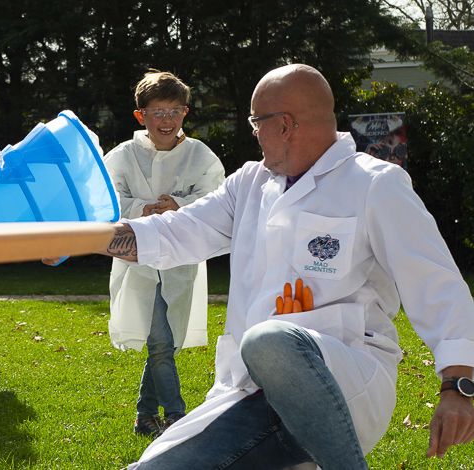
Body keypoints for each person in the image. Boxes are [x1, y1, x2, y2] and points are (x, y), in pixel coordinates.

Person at [47, 64, 474, 469]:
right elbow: (174, 232)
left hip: (345, 382)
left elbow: (436, 283)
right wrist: (74, 239)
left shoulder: (374, 184)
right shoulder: (249, 184)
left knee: (271, 341)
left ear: (284, 125)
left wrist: (458, 387)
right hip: (248, 391)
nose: (254, 134)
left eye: (256, 123)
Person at [103, 70, 224, 437]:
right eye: (157, 112)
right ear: (141, 116)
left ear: (185, 113)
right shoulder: (124, 156)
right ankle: (176, 417)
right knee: (160, 342)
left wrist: (180, 204)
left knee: (164, 342)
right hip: (137, 258)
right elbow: (108, 199)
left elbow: (216, 198)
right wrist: (143, 207)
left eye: (174, 111)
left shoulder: (199, 155)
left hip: (179, 258)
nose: (166, 120)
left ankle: (144, 416)